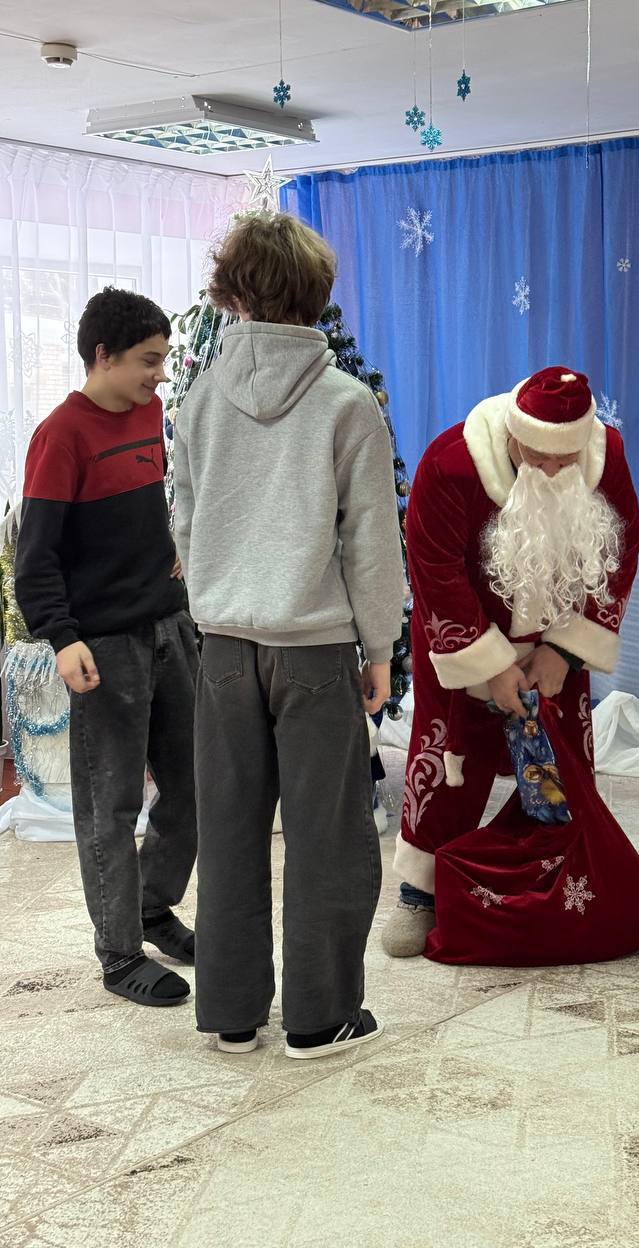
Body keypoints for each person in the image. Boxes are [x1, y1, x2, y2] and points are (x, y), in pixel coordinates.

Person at [173, 212, 403, 1057]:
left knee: (228, 831)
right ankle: (318, 1016)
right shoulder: (346, 401)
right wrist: (380, 647)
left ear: (230, 293)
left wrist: (219, 596)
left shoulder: (200, 399)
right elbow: (371, 540)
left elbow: (183, 519)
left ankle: (232, 1015)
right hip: (313, 647)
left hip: (224, 650)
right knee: (327, 837)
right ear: (317, 294)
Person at [382, 365, 639, 958]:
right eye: (537, 457)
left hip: (556, 635)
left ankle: (559, 874)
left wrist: (565, 650)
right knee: (447, 757)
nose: (550, 471)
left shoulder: (606, 456)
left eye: (564, 460)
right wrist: (491, 665)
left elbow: (620, 548)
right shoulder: (451, 462)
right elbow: (434, 569)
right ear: (512, 436)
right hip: (466, 634)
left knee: (561, 760)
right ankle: (420, 889)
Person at [15, 287, 198, 1006]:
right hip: (105, 646)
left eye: (163, 359)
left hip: (171, 627)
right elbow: (35, 559)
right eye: (148, 361)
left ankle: (152, 908)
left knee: (194, 784)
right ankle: (120, 954)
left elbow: (147, 508)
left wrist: (172, 550)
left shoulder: (151, 413)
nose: (159, 374)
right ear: (103, 356)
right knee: (110, 806)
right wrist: (63, 639)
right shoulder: (60, 435)